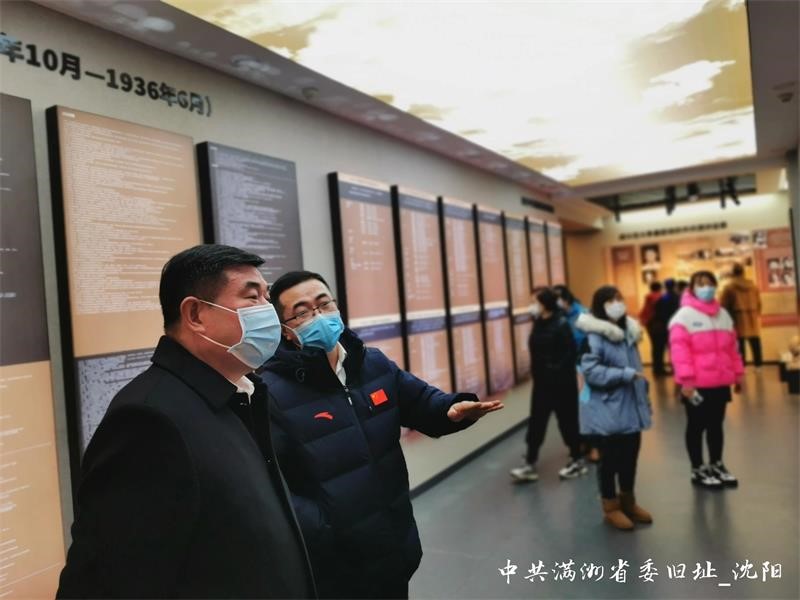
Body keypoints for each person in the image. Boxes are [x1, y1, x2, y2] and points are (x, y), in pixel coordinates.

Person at [57, 245, 316, 599]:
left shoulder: (238, 396)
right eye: (251, 297)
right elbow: (109, 580)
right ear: (195, 314)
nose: (267, 311)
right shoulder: (149, 421)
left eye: (266, 298)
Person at [262, 270, 503, 599]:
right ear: (285, 330)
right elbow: (272, 481)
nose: (318, 316)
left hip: (393, 541)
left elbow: (421, 402)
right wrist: (323, 527)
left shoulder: (371, 363)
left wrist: (450, 409)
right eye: (302, 312)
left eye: (324, 304)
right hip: (336, 564)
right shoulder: (273, 392)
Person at [576, 286, 653, 530]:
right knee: (609, 462)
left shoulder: (629, 332)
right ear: (600, 305)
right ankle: (610, 506)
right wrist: (624, 374)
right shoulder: (593, 336)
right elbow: (590, 371)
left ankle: (628, 501)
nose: (617, 304)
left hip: (632, 406)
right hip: (607, 408)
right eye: (611, 300)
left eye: (619, 299)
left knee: (631, 458)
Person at [669, 270, 743, 489]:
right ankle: (698, 468)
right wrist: (686, 380)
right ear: (692, 288)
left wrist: (738, 374)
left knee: (716, 425)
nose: (706, 288)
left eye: (710, 283)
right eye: (700, 284)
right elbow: (679, 352)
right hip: (696, 384)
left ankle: (716, 464)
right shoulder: (683, 317)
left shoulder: (723, 315)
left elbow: (733, 349)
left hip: (720, 382)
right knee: (696, 426)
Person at [510, 288, 586, 483]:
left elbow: (569, 354)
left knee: (567, 422)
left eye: (534, 301)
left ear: (544, 304)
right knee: (536, 423)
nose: (531, 306)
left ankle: (577, 459)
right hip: (542, 384)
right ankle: (530, 462)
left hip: (562, 385)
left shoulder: (562, 324)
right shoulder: (538, 323)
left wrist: (553, 370)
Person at [720, 263, 763, 368]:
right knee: (755, 342)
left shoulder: (729, 288)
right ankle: (759, 367)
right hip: (752, 317)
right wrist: (756, 313)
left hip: (737, 318)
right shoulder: (753, 287)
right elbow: (759, 303)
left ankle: (741, 367)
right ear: (743, 273)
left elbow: (724, 305)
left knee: (739, 345)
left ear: (732, 273)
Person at [639, 281, 666, 375]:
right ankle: (660, 369)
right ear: (660, 288)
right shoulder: (660, 297)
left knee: (655, 347)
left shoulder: (648, 297)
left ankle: (656, 368)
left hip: (650, 325)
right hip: (658, 325)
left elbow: (644, 312)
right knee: (660, 348)